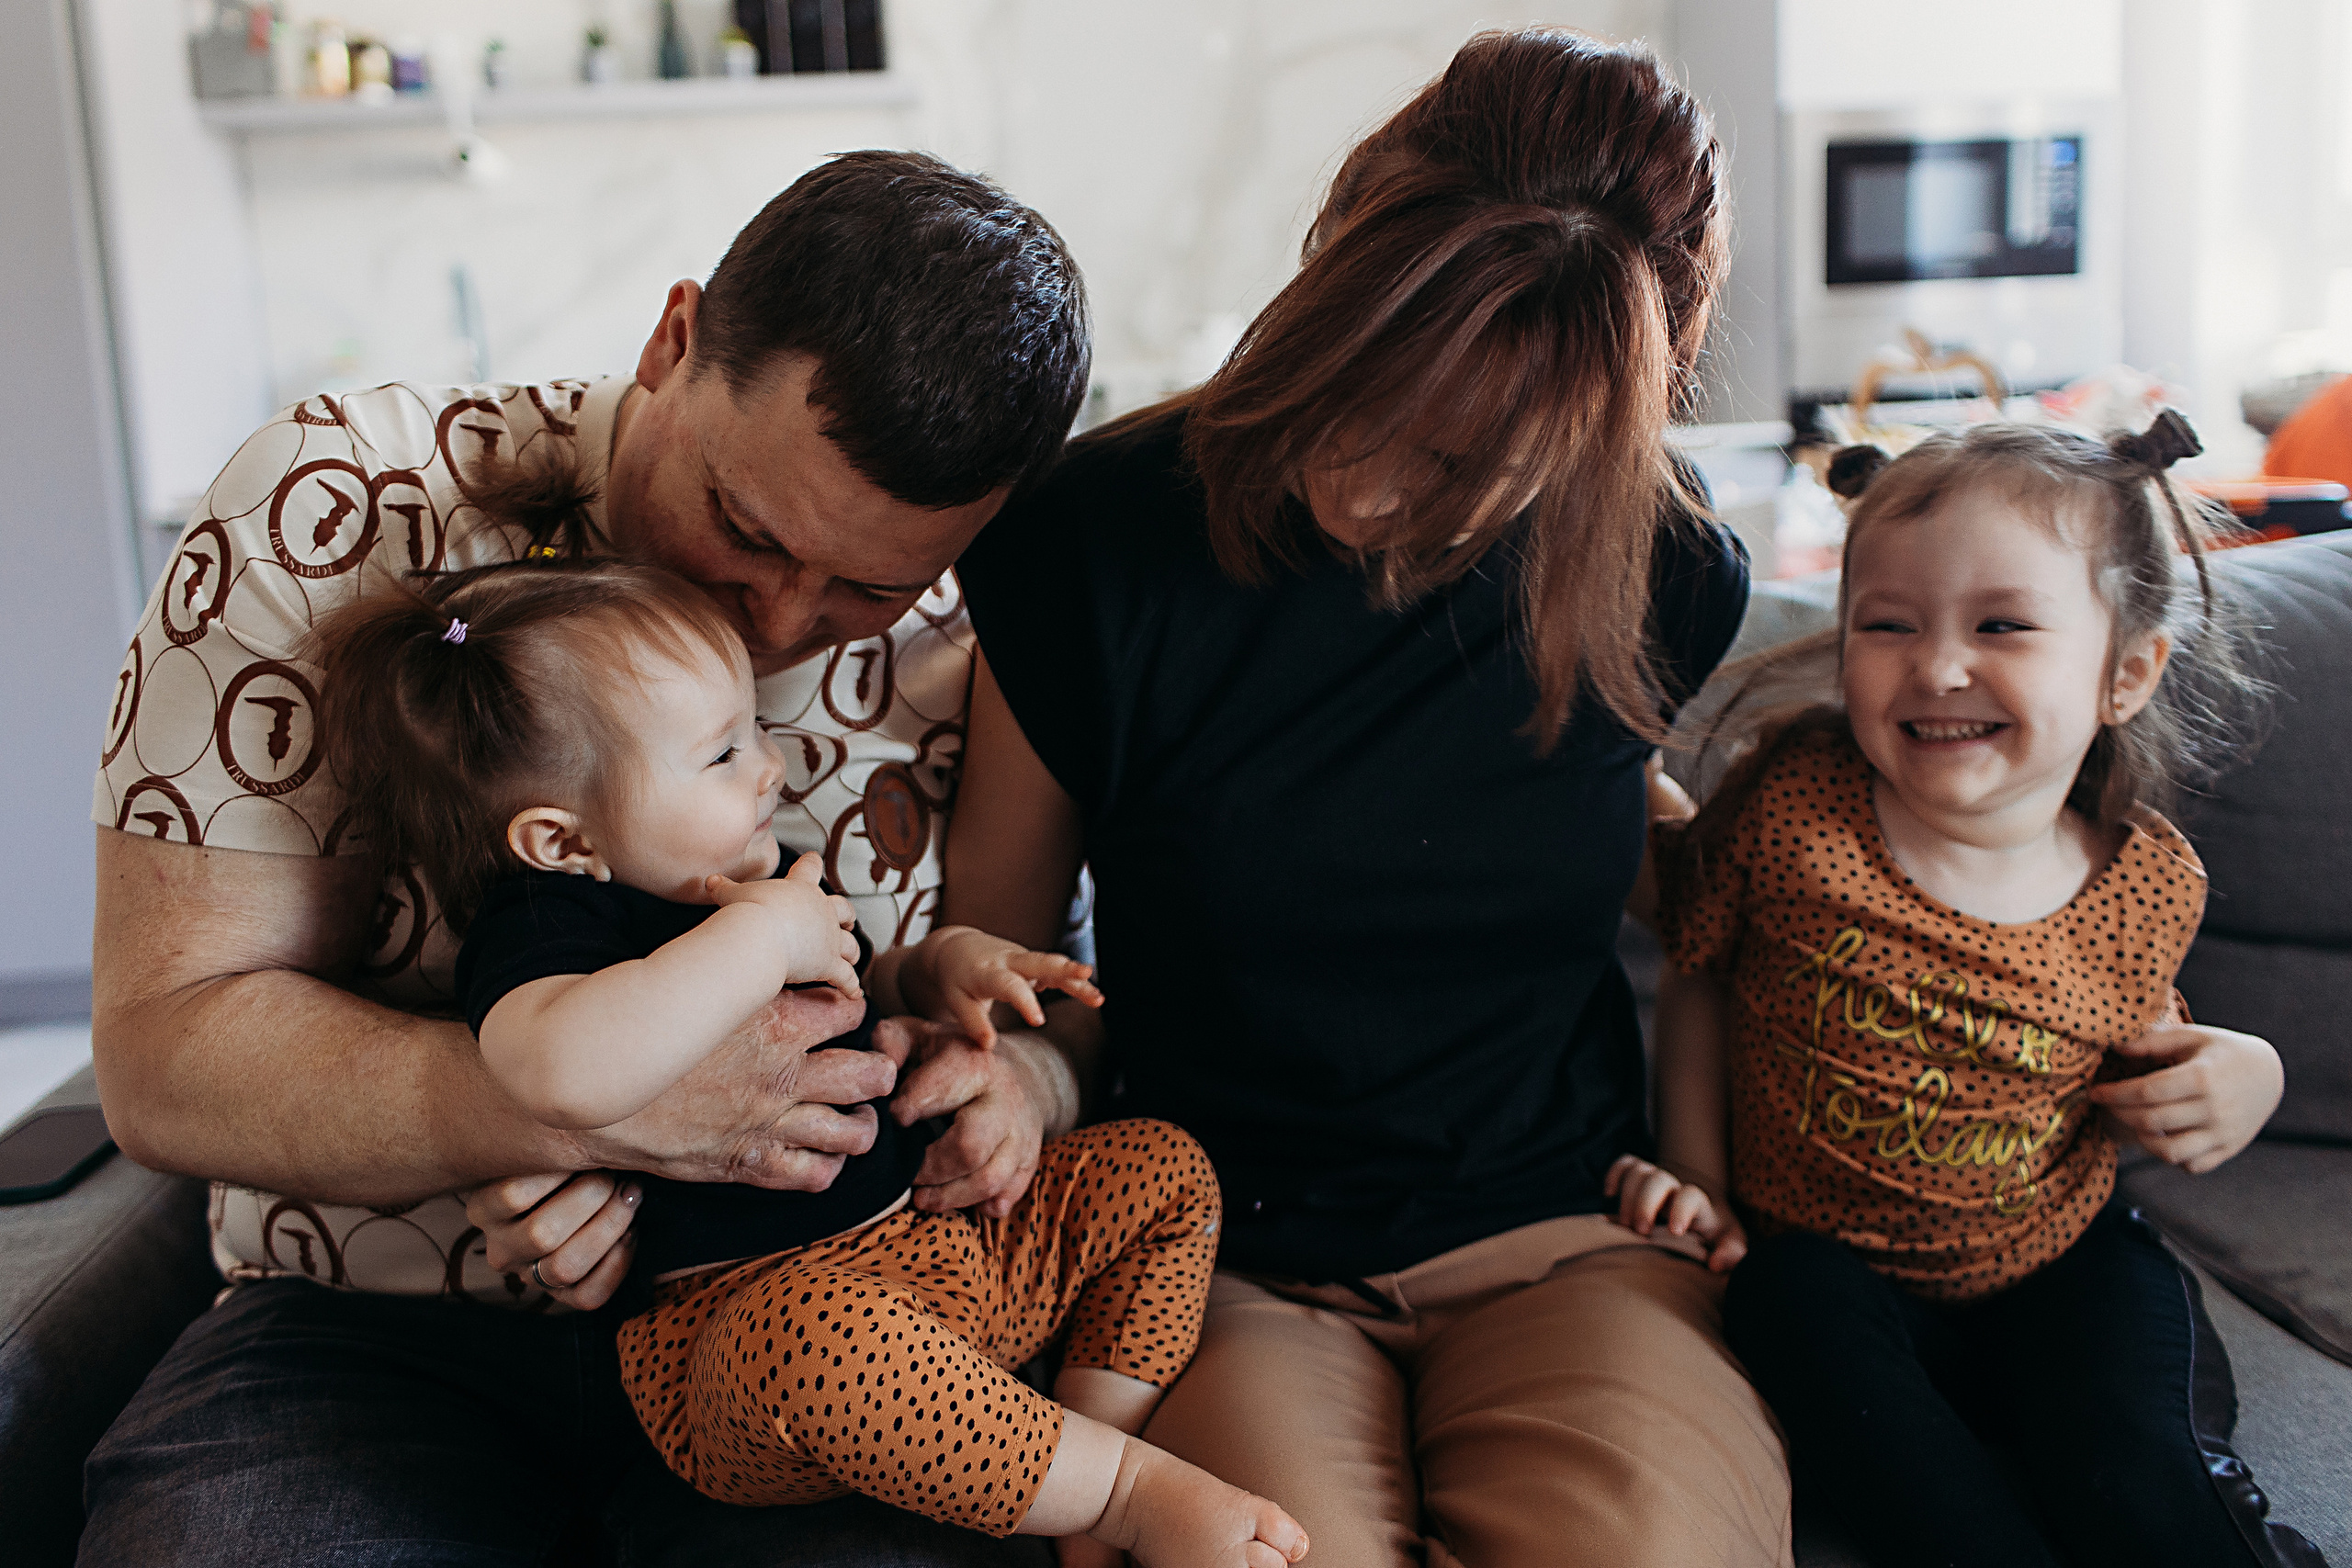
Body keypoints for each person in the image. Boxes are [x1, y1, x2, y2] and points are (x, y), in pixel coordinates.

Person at [83, 152, 1087, 1565]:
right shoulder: (337, 516)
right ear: (674, 343)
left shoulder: (1002, 619)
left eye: (869, 588)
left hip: (839, 1328)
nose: (780, 623)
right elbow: (161, 1051)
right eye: (747, 529)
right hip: (372, 1334)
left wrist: (1026, 1072)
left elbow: (1045, 993)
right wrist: (569, 1112)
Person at [944, 28, 1793, 1568]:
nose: (1373, 489)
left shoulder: (1662, 568)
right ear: (1334, 243)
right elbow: (1015, 978)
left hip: (1568, 1240)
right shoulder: (1088, 545)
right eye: (1362, 395)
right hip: (1223, 1260)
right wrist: (1016, 1089)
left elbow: (1617, 816)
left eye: (1471, 458)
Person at [298, 554, 1306, 1568]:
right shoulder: (551, 926)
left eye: (755, 731)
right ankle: (1121, 1499)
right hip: (752, 1340)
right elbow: (557, 1073)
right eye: (722, 752)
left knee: (1163, 1171)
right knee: (824, 1350)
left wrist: (939, 969)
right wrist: (760, 942)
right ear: (562, 841)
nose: (768, 767)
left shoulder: (761, 873)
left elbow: (864, 978)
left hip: (946, 1252)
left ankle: (1084, 1445)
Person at [1614, 414, 2323, 1567]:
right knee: (1811, 1347)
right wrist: (1696, 1176)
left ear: (2125, 672)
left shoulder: (2142, 880)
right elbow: (1698, 966)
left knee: (2143, 1477)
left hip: (2062, 1260)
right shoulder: (1792, 805)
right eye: (1885, 625)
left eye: (2001, 625)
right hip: (1826, 1273)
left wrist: (2252, 1073)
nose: (1936, 666)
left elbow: (2157, 1055)